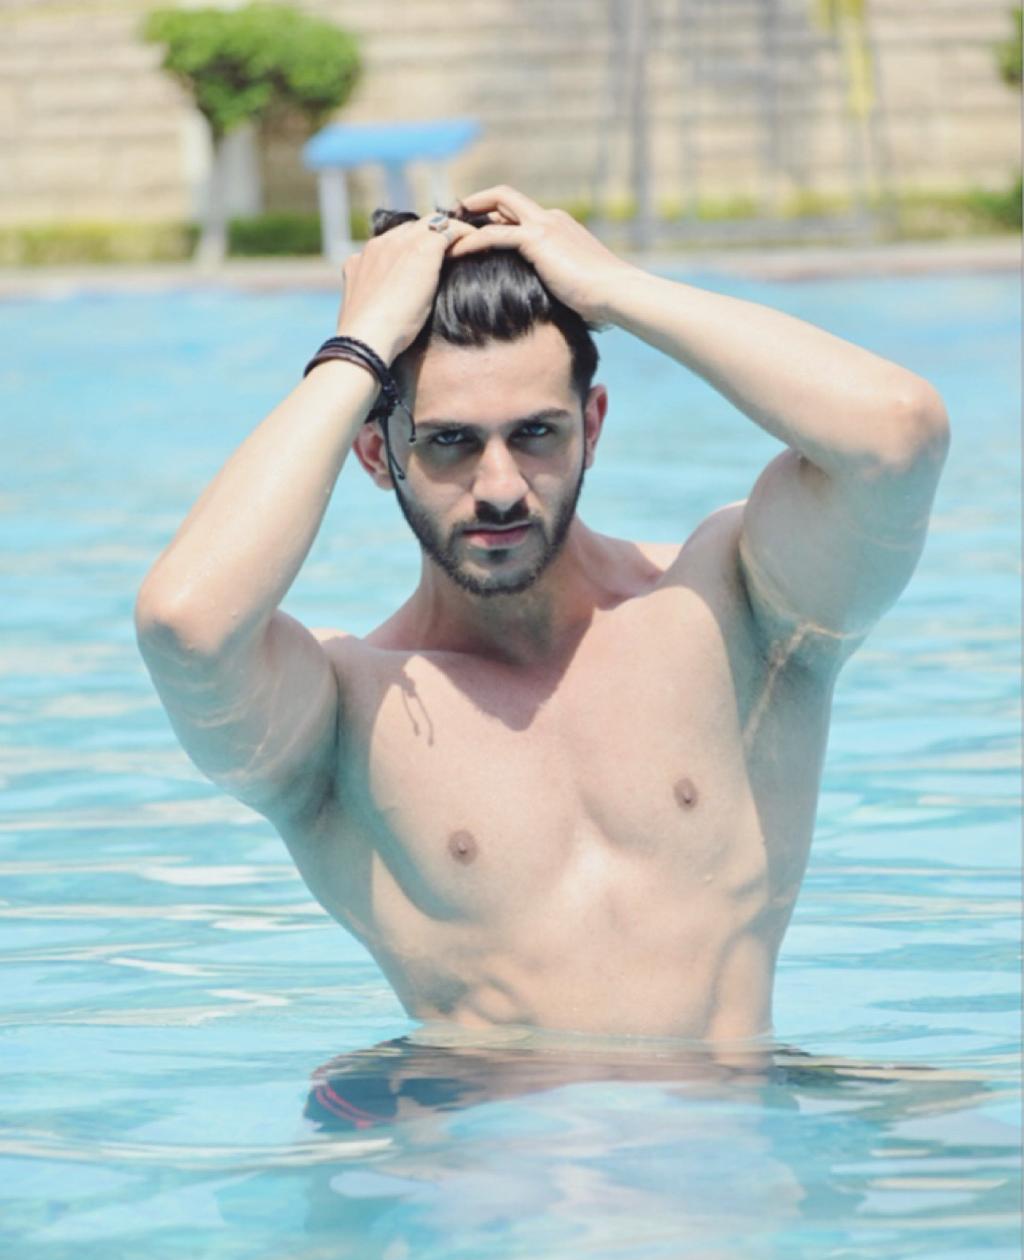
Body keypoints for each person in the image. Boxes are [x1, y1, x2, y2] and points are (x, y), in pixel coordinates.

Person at [135, 185, 950, 1045]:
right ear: (375, 453)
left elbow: (897, 435)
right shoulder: (346, 716)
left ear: (592, 427)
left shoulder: (732, 608)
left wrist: (615, 289)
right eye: (449, 441)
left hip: (736, 1114)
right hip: (494, 1126)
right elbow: (187, 624)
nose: (499, 488)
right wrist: (360, 344)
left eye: (536, 434)